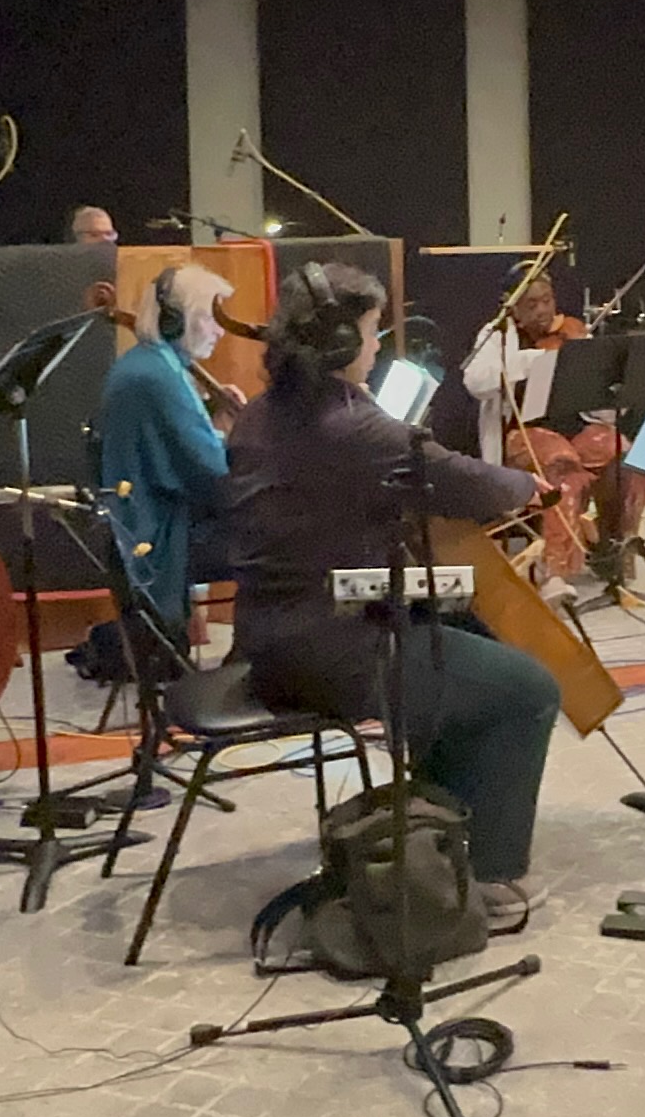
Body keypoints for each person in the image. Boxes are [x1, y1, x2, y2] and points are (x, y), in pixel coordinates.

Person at [224, 264, 561, 926]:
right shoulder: (351, 425)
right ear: (341, 342)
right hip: (331, 651)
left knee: (467, 642)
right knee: (529, 690)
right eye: (374, 331)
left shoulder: (264, 412)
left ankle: (439, 835)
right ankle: (490, 879)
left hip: (268, 635)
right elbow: (470, 484)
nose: (378, 347)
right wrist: (530, 486)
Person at [459, 273, 638, 603]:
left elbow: (602, 404)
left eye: (547, 301)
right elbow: (476, 381)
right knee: (561, 464)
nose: (542, 310)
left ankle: (613, 546)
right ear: (513, 307)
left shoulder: (572, 332)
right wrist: (534, 360)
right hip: (523, 434)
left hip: (575, 427)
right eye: (531, 304)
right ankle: (555, 573)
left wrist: (602, 377)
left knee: (629, 458)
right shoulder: (498, 334)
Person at [97, 264, 234, 640]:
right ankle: (260, 654)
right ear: (175, 320)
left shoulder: (152, 364)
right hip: (160, 535)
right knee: (284, 539)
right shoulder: (158, 378)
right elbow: (215, 478)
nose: (220, 331)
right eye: (210, 318)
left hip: (145, 523)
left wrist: (218, 429)